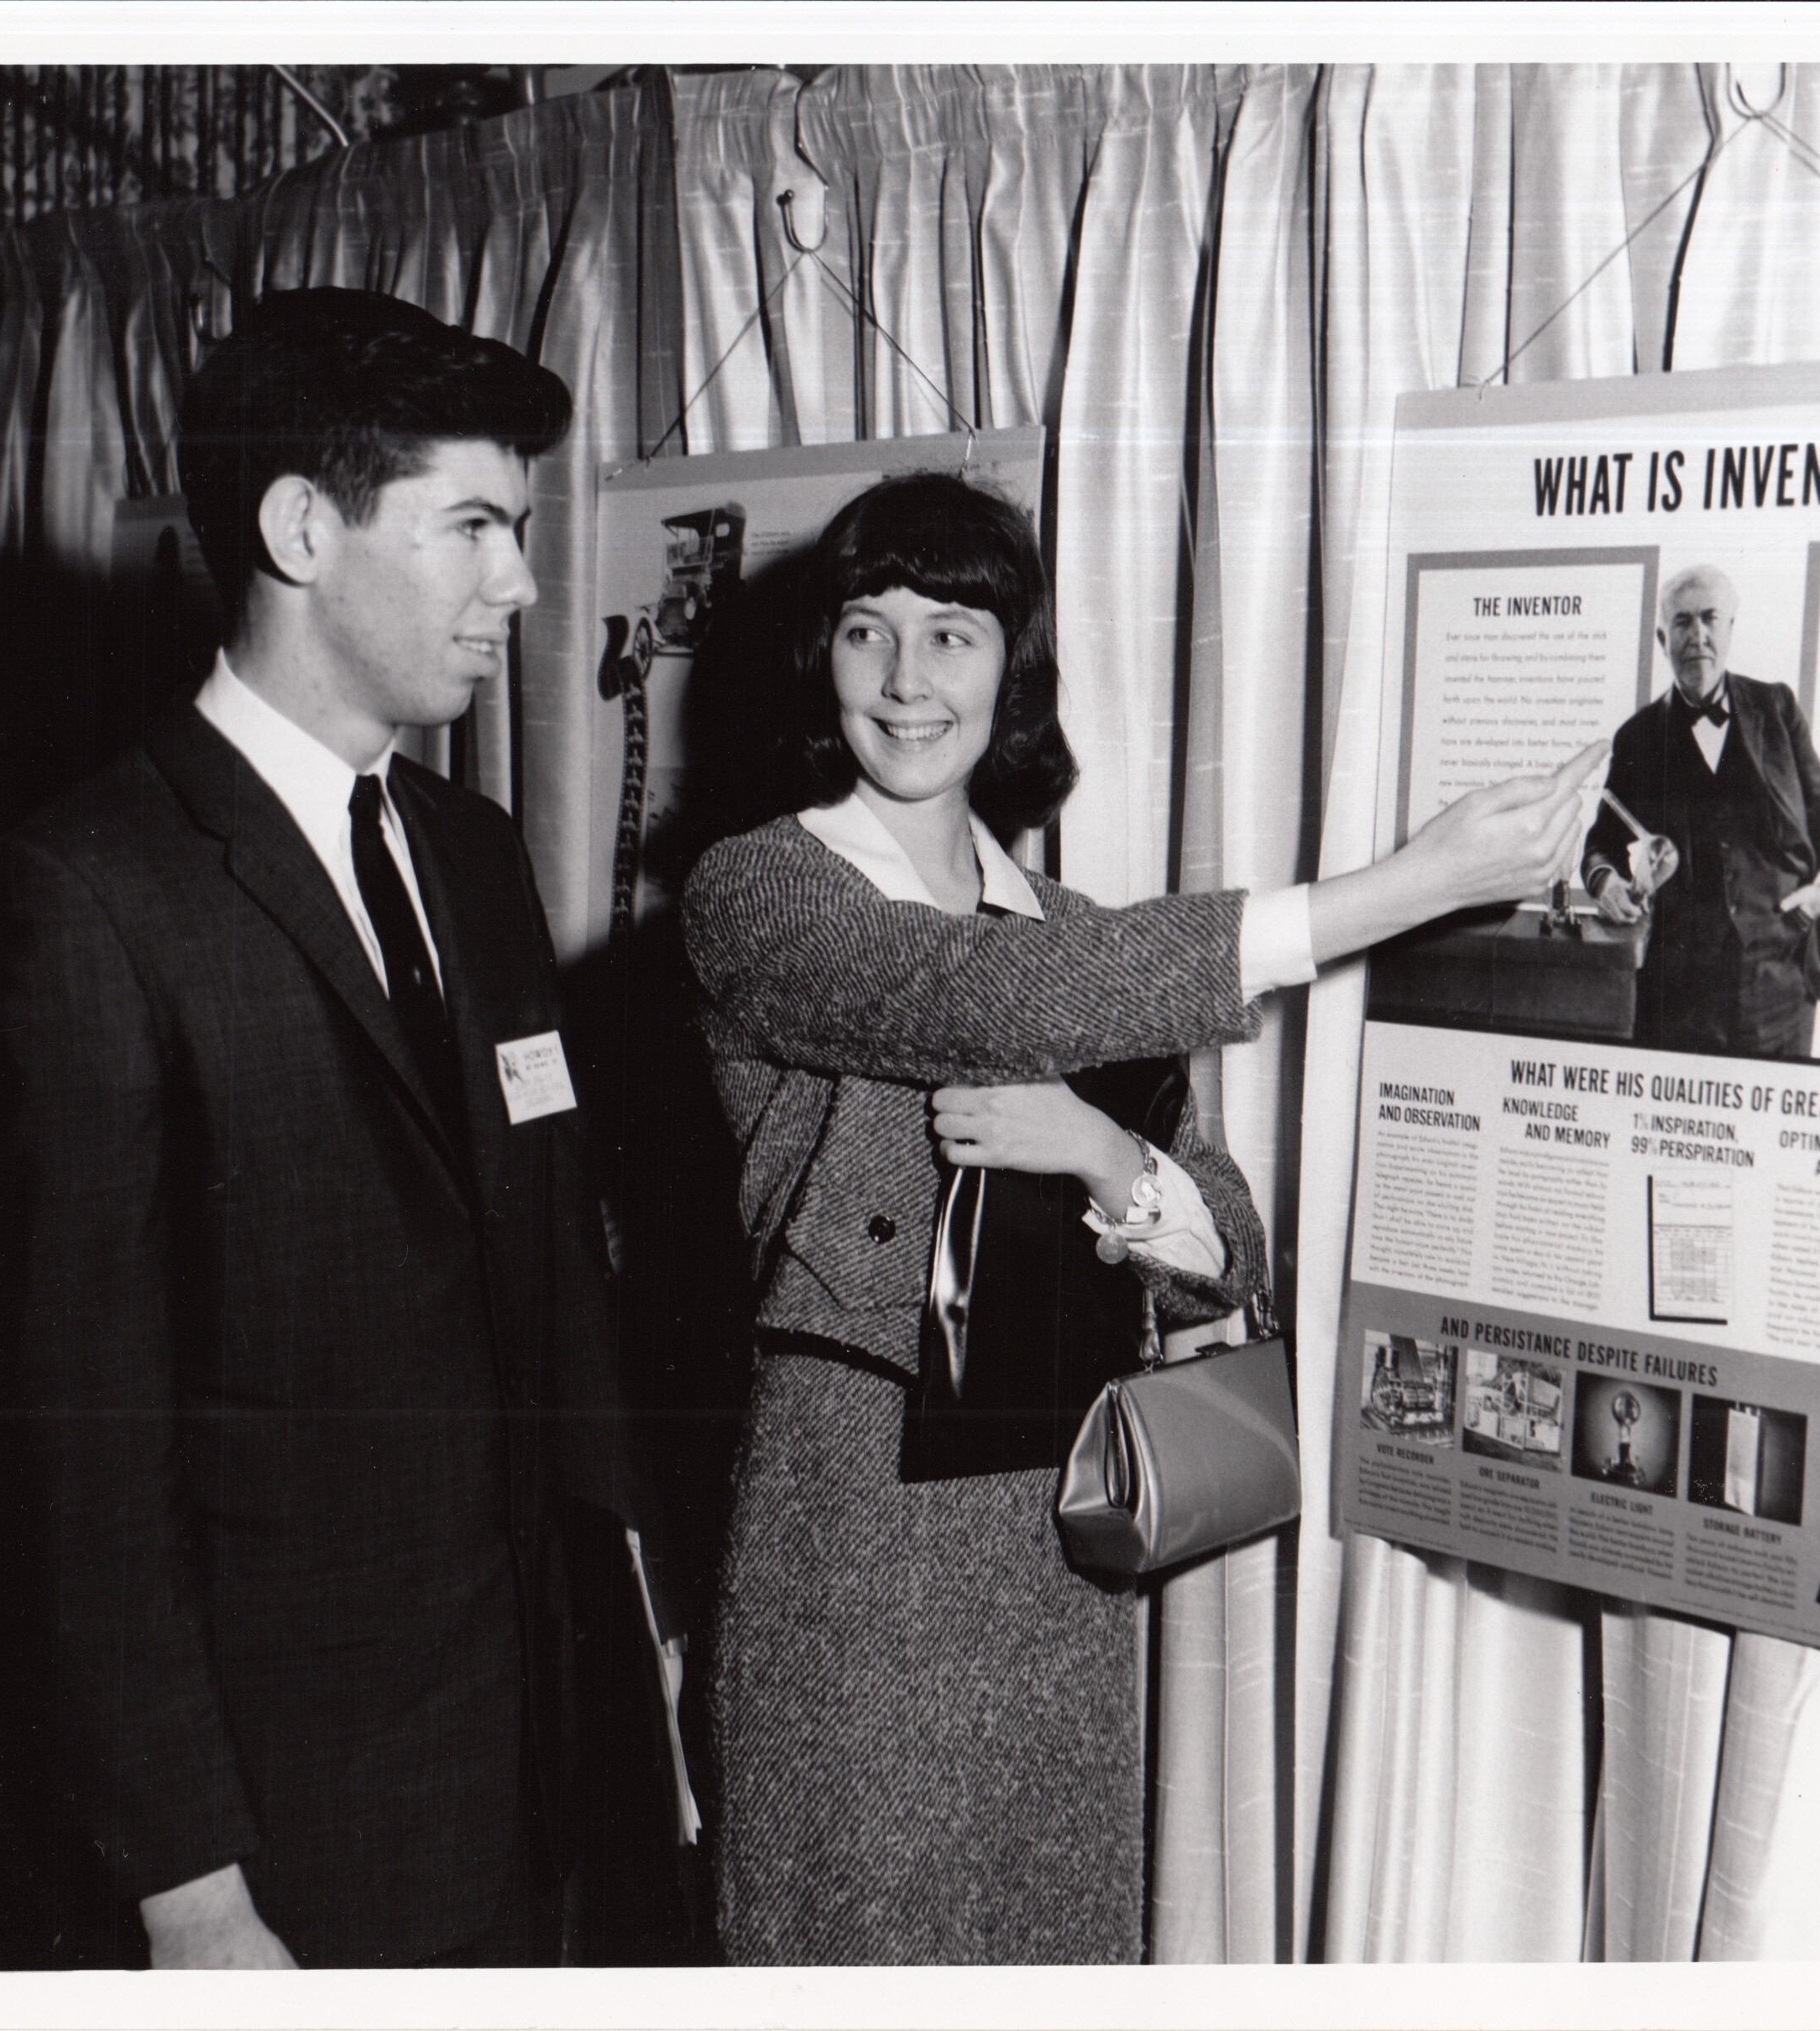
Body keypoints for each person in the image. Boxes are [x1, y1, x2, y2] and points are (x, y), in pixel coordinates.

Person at [681, 473, 1604, 1963]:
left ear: (1012, 670)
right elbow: (969, 995)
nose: (906, 679)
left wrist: (1101, 1150)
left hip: (1063, 1533)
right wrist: (1395, 890)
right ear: (821, 660)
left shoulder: (1085, 936)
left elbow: (1227, 1251)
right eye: (866, 630)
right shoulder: (758, 890)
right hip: (850, 1543)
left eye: (952, 633)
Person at [0, 289, 663, 1969]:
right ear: (303, 528)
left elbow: (554, 1276)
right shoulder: (90, 891)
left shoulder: (476, 854)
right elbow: (83, 1452)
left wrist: (631, 1630)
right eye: (474, 527)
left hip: (532, 1767)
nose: (520, 582)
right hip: (289, 1827)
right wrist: (189, 1888)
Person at [1582, 564, 1820, 1059]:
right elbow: (1601, 844)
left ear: (1729, 627)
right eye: (1682, 622)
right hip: (1680, 997)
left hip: (1782, 986)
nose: (1698, 636)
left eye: (1710, 619)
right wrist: (1607, 884)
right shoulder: (1638, 737)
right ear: (1663, 639)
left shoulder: (1777, 709)